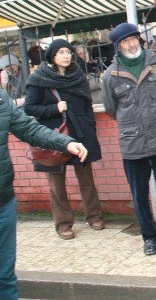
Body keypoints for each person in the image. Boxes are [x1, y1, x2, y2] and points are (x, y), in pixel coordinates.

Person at [101, 23, 156, 256]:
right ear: (117, 47)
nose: (131, 44)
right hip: (132, 141)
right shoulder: (110, 75)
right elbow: (110, 108)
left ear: (140, 39)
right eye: (125, 42)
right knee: (138, 192)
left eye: (133, 39)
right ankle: (148, 236)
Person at [0, 89, 89, 300]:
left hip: (3, 202)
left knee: (5, 277)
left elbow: (29, 128)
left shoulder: (1, 99)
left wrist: (64, 142)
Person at [23, 39, 104, 240]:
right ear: (52, 56)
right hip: (53, 136)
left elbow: (87, 103)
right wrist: (54, 109)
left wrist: (89, 125)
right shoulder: (40, 78)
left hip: (80, 133)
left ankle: (93, 216)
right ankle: (63, 224)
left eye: (68, 52)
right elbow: (29, 107)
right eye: (61, 52)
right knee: (56, 183)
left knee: (86, 179)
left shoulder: (78, 76)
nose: (66, 56)